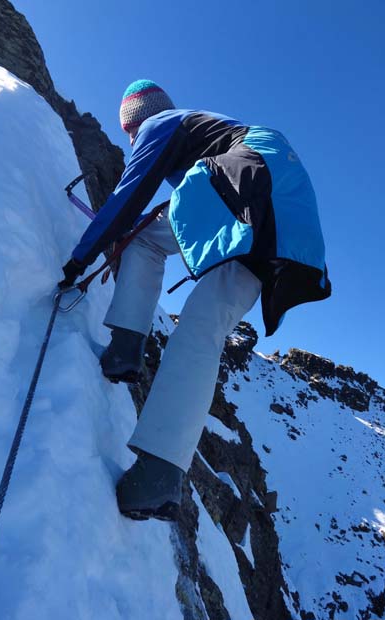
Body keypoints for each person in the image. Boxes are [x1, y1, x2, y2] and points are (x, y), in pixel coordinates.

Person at [59, 79, 331, 522]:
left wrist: (77, 261)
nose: (131, 141)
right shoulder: (215, 130)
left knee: (143, 239)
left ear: (136, 120)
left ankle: (126, 348)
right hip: (287, 232)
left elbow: (130, 195)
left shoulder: (162, 123)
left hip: (246, 187)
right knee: (204, 329)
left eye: (129, 132)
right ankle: (158, 476)